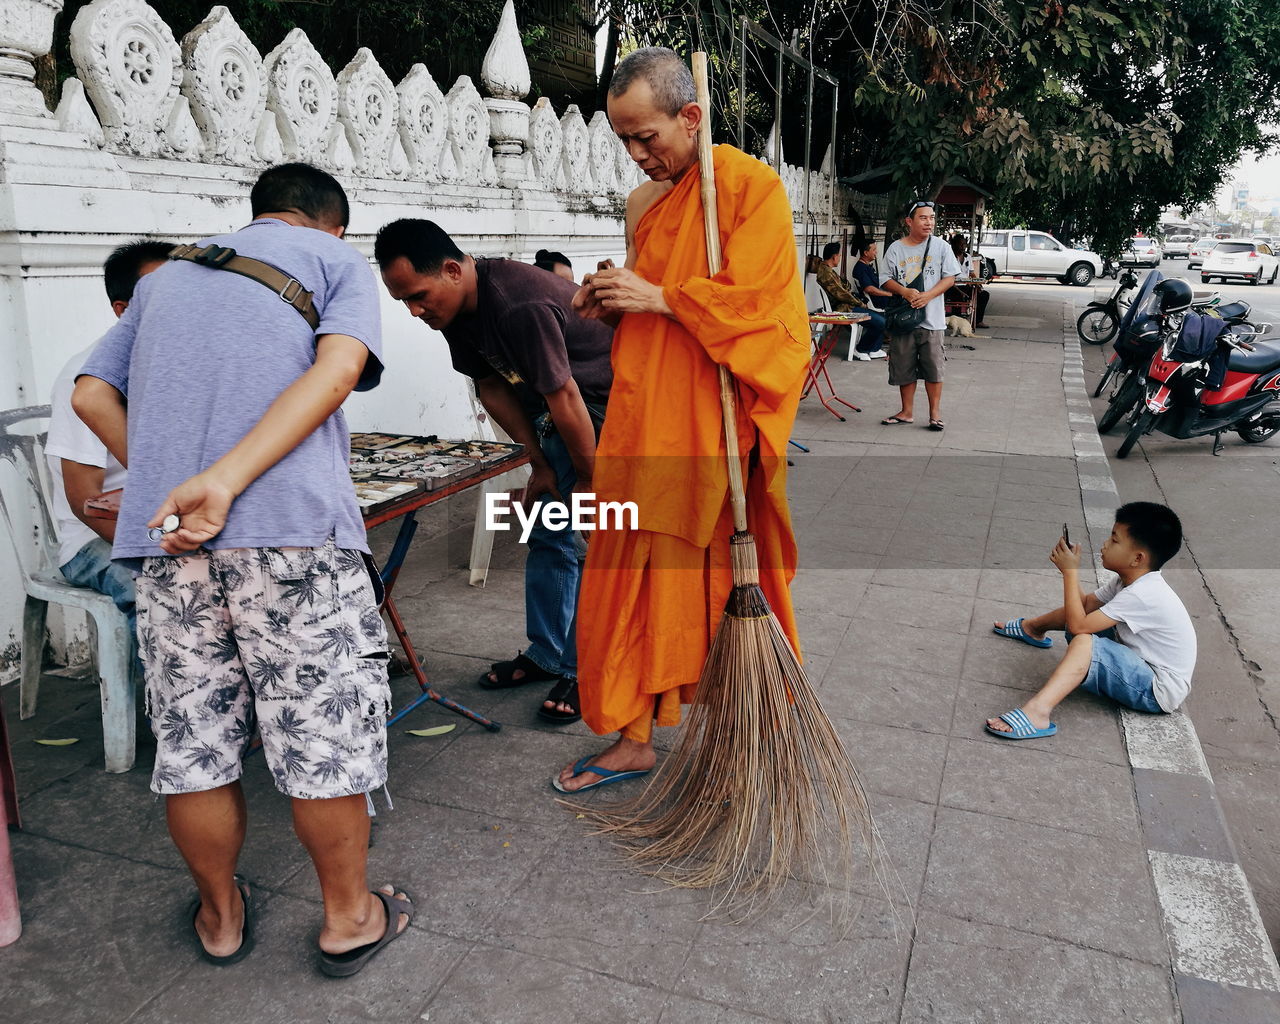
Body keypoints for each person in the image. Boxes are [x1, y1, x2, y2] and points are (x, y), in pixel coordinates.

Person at [72, 163, 411, 975]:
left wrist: (166, 477)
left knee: (193, 744)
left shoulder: (168, 277)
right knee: (316, 733)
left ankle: (221, 921)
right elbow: (334, 374)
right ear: (331, 223)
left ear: (257, 214)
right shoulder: (333, 261)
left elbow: (90, 394)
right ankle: (348, 920)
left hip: (168, 541)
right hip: (291, 534)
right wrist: (226, 480)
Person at [553, 46, 810, 793]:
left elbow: (767, 314)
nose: (637, 158)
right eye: (624, 141)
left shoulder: (749, 188)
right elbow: (649, 304)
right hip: (645, 421)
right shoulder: (644, 206)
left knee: (725, 582)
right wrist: (612, 297)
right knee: (632, 573)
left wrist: (664, 299)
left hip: (717, 428)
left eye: (648, 138)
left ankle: (745, 729)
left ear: (691, 117)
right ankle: (633, 737)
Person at [374, 219, 613, 725]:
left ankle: (587, 669)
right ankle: (548, 654)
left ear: (453, 269)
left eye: (418, 296)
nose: (415, 311)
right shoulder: (456, 313)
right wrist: (539, 464)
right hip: (555, 415)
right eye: (404, 304)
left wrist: (590, 480)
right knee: (548, 535)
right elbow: (493, 388)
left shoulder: (518, 303)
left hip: (601, 410)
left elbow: (566, 395)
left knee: (593, 545)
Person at [45, 240, 170, 636]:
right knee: (159, 594)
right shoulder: (85, 378)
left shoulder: (182, 361)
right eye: (161, 294)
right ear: (123, 311)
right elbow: (85, 501)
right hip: (94, 539)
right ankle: (159, 697)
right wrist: (156, 556)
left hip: (168, 520)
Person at [986, 502, 1196, 740]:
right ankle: (1032, 629)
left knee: (1085, 640)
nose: (1105, 544)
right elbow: (1084, 605)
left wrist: (1070, 573)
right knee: (1083, 617)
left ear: (1137, 558)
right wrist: (1069, 570)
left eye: (1114, 540)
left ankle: (1037, 713)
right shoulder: (1129, 581)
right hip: (1137, 662)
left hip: (1155, 689)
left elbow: (1078, 627)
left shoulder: (1143, 595)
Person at [879, 200, 962, 431]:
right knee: (904, 366)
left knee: (934, 368)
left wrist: (928, 296)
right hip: (904, 319)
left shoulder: (942, 247)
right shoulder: (896, 248)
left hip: (932, 320)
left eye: (932, 218)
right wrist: (904, 291)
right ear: (909, 221)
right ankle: (906, 412)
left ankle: (935, 415)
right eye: (923, 218)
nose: (929, 223)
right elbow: (885, 278)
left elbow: (950, 277)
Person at [811, 241, 885, 360]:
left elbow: (845, 288)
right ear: (834, 256)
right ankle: (861, 349)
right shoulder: (826, 273)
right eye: (839, 255)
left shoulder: (827, 270)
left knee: (882, 319)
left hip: (846, 305)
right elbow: (842, 294)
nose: (839, 258)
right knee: (880, 322)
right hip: (844, 308)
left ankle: (873, 349)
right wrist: (860, 303)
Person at [946, 233, 989, 328]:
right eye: (960, 244)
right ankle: (956, 324)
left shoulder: (967, 257)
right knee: (958, 297)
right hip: (951, 286)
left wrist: (977, 284)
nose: (962, 247)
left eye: (964, 244)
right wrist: (960, 290)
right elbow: (947, 276)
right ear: (954, 245)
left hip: (965, 286)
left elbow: (971, 273)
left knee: (983, 295)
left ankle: (977, 321)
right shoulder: (949, 257)